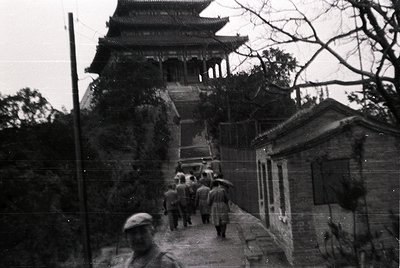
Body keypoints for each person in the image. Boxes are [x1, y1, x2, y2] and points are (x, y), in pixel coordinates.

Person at [119, 213, 184, 268]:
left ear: (152, 232)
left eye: (143, 231)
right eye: (133, 233)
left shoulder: (167, 263)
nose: (138, 237)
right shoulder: (129, 262)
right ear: (127, 238)